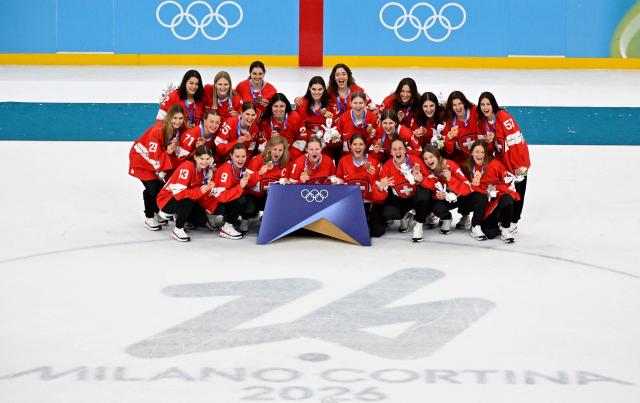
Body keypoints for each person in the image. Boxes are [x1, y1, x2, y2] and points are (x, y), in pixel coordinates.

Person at [477, 91, 530, 232]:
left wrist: (519, 165)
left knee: (518, 191)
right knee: (507, 191)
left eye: (488, 104)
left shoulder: (504, 117)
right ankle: (505, 218)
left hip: (517, 162)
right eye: (482, 104)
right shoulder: (483, 122)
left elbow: (516, 142)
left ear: (493, 104)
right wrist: (488, 142)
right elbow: (490, 149)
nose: (485, 107)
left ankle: (513, 222)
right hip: (503, 164)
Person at [462, 140, 520, 243]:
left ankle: (505, 228)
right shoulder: (467, 167)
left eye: (482, 152)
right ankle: (476, 224)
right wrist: (473, 185)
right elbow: (463, 186)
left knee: (508, 198)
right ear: (471, 152)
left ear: (486, 154)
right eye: (476, 151)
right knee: (490, 233)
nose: (479, 154)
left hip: (496, 200)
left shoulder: (495, 165)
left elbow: (507, 182)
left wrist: (497, 190)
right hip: (483, 205)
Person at [156, 145, 216, 242]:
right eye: (202, 158)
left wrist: (209, 187)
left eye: (207, 159)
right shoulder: (187, 167)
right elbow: (179, 193)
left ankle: (180, 214)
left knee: (201, 221)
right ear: (195, 157)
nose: (205, 162)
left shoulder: (205, 169)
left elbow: (198, 190)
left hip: (188, 197)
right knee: (187, 201)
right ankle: (178, 229)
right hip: (167, 199)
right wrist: (199, 191)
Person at [377, 138, 431, 240]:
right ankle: (405, 215)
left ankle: (419, 226)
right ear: (391, 152)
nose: (398, 151)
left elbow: (430, 180)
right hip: (399, 199)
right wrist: (380, 187)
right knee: (388, 212)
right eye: (395, 149)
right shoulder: (386, 167)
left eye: (400, 148)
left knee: (423, 194)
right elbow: (381, 192)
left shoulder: (416, 161)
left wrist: (422, 179)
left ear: (405, 150)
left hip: (415, 197)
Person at [336, 134, 387, 237]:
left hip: (371, 202)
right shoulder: (343, 161)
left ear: (365, 146)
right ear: (350, 146)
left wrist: (372, 178)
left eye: (360, 144)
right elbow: (339, 186)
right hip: (353, 204)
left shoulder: (374, 162)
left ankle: (374, 218)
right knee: (355, 231)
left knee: (377, 232)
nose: (357, 147)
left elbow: (381, 194)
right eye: (354, 144)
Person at [420, 145, 472, 236]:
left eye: (431, 157)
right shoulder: (428, 171)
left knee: (472, 196)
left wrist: (450, 178)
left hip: (460, 197)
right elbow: (431, 189)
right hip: (446, 199)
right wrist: (436, 196)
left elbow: (467, 187)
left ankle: (465, 215)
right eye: (425, 158)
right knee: (435, 205)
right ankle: (446, 218)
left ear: (437, 156)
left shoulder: (450, 165)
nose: (429, 160)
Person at [210, 144, 260, 239]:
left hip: (225, 198)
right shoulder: (226, 170)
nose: (241, 160)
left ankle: (229, 218)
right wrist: (239, 187)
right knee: (241, 199)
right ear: (231, 156)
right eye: (237, 156)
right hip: (214, 202)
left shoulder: (241, 167)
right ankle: (227, 227)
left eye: (243, 156)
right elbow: (222, 197)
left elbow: (248, 182)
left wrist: (260, 173)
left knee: (250, 203)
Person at [246, 136, 292, 216]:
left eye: (280, 150)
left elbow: (288, 186)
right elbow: (246, 184)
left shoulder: (286, 164)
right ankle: (245, 218)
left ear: (284, 151)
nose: (277, 153)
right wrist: (259, 173)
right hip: (253, 196)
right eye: (274, 149)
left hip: (270, 198)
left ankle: (268, 218)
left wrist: (287, 183)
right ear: (269, 148)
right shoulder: (256, 160)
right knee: (250, 210)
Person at [257, 93, 307, 160]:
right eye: (275, 106)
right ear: (271, 107)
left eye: (282, 106)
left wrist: (289, 156)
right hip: (272, 157)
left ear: (286, 106)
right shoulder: (265, 122)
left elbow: (302, 139)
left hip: (292, 157)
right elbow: (261, 146)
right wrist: (270, 141)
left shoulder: (295, 117)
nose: (278, 109)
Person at [335, 91, 379, 157]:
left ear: (365, 103)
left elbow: (377, 142)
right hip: (347, 158)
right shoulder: (343, 118)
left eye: (361, 103)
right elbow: (337, 141)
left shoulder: (373, 118)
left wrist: (371, 138)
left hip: (367, 157)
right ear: (350, 103)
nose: (358, 106)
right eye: (355, 103)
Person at [442, 91, 480, 165]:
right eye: (454, 105)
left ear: (464, 103)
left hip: (481, 156)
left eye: (460, 103)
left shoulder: (475, 111)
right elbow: (449, 150)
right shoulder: (449, 121)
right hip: (462, 162)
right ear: (451, 107)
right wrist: (449, 139)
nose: (458, 107)